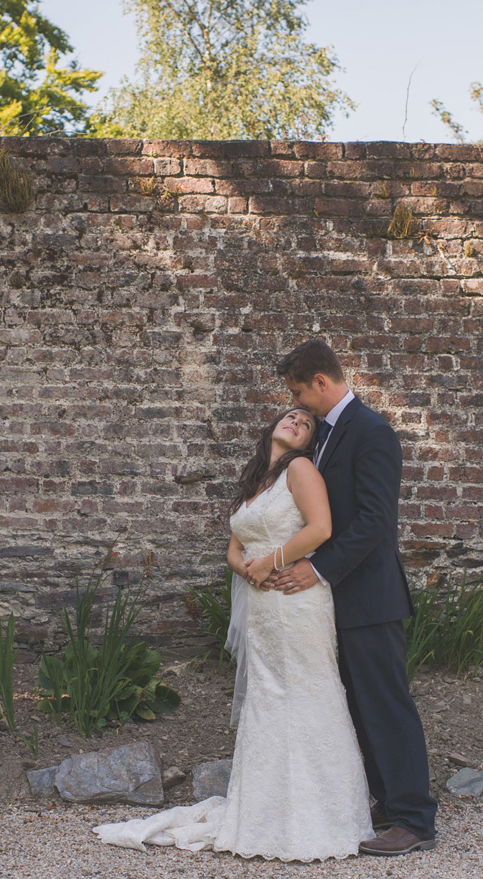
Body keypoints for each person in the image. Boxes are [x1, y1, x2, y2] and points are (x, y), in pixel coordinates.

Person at [94, 408, 374, 861]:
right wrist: (244, 567)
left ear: (308, 445)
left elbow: (322, 530)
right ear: (272, 429)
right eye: (291, 416)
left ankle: (322, 814)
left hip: (294, 597)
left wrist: (271, 562)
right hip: (262, 600)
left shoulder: (301, 470)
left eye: (306, 423)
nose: (298, 422)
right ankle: (263, 811)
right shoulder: (255, 485)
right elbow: (235, 546)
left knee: (306, 692)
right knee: (267, 695)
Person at [273, 339, 437, 856]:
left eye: (300, 391)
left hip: (370, 597)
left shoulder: (372, 432)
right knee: (361, 707)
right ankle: (388, 805)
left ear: (322, 382)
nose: (297, 402)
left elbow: (373, 523)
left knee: (387, 706)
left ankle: (414, 819)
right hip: (338, 601)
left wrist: (316, 569)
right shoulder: (324, 433)